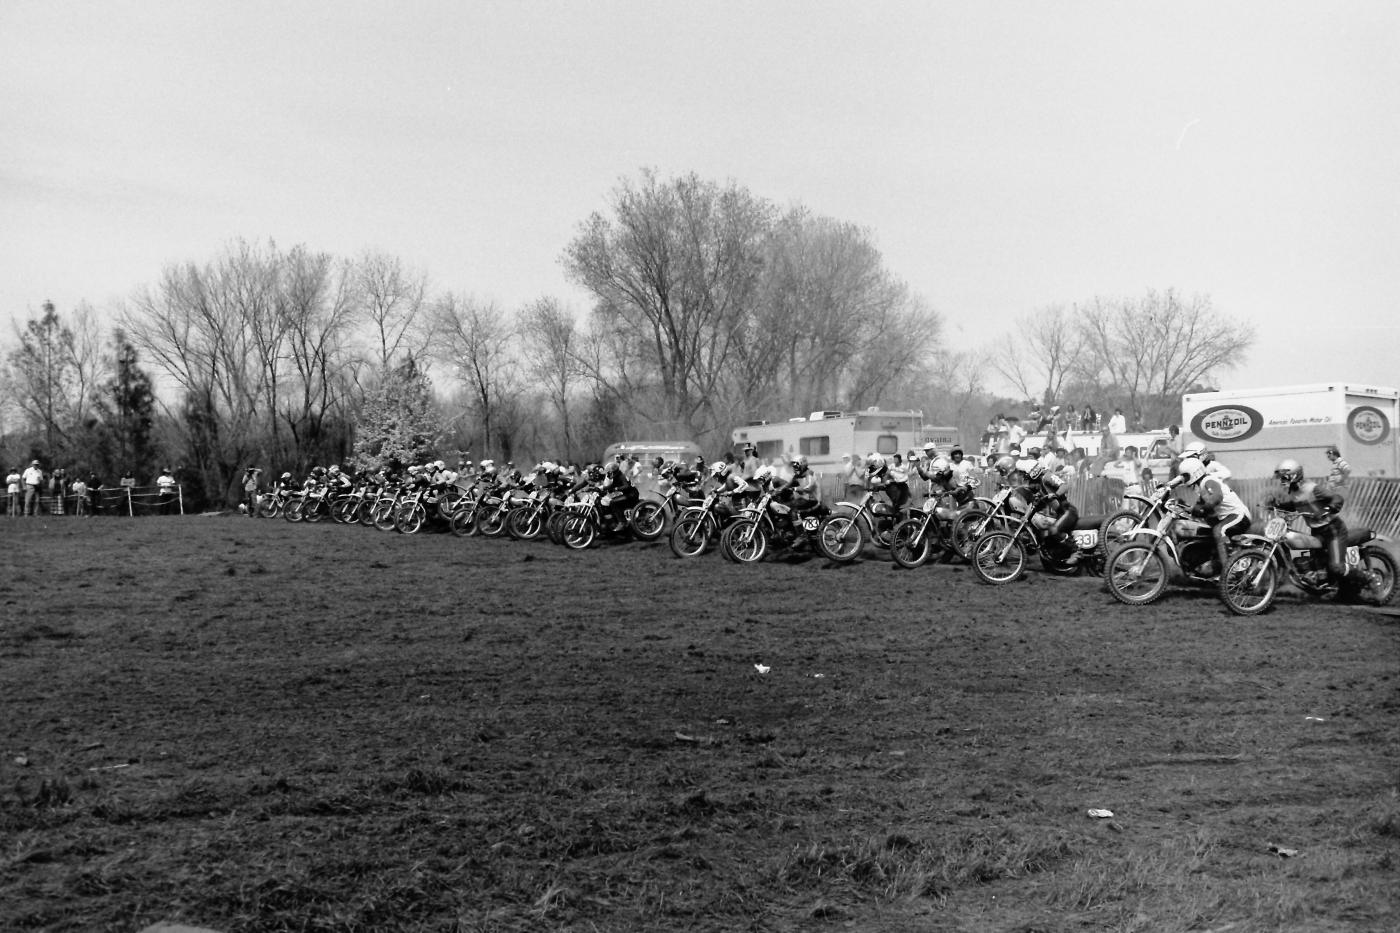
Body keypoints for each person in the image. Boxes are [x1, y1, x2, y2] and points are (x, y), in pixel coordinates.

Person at [1265, 457, 1375, 589]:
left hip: (1333, 530)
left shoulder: (1312, 488)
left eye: (1285, 477)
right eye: (1281, 478)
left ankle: (1367, 577)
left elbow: (1336, 498)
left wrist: (1328, 509)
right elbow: (1296, 505)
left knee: (1336, 567)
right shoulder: (1294, 492)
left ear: (1294, 475)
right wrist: (1276, 505)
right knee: (1314, 559)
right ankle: (1317, 578)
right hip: (1317, 531)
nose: (1282, 481)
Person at [1175, 456, 1250, 578]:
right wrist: (1185, 508)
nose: (1185, 479)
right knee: (1202, 530)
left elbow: (1217, 497)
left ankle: (1228, 571)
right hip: (1226, 517)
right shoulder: (1201, 488)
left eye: (1186, 475)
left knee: (1219, 531)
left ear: (1194, 472)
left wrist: (1203, 507)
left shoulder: (1209, 480)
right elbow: (1199, 509)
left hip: (1238, 515)